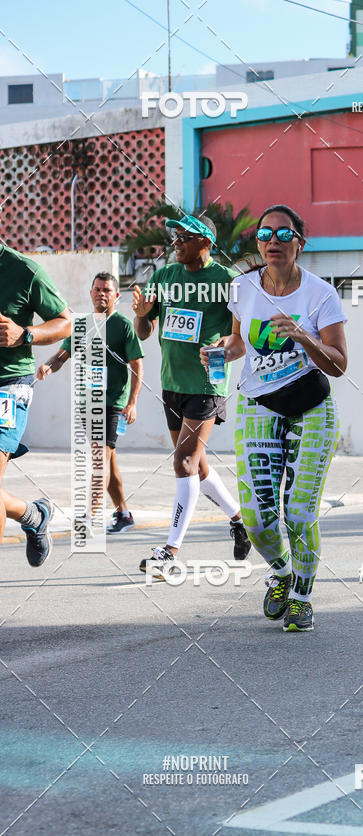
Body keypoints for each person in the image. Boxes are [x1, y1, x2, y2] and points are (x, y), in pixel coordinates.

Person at [202, 204, 347, 632]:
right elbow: (237, 344)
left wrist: (304, 336)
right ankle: (281, 572)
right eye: (265, 235)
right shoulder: (242, 287)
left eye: (284, 235)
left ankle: (302, 595)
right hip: (258, 403)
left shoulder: (321, 294)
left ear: (300, 243)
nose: (273, 242)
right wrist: (219, 352)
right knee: (258, 518)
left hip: (310, 405)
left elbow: (339, 364)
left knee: (299, 511)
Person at [133, 213, 251, 576]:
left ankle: (169, 551)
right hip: (172, 383)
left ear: (206, 243)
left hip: (206, 385)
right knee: (196, 466)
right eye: (175, 236)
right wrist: (140, 314)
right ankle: (238, 520)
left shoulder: (228, 282)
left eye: (185, 236)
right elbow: (143, 332)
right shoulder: (165, 276)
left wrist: (224, 345)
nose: (176, 242)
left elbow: (241, 340)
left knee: (183, 462)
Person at [37, 273, 143, 533]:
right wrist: (48, 366)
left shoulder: (123, 325)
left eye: (106, 290)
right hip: (88, 403)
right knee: (108, 461)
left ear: (116, 296)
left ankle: (90, 515)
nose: (100, 294)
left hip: (111, 404)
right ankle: (124, 514)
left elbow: (137, 365)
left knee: (99, 459)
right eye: (96, 289)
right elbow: (62, 356)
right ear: (91, 293)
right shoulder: (81, 325)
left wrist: (132, 403)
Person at [0, 243, 71, 565]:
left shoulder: (25, 271)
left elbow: (65, 322)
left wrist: (25, 334)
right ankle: (34, 514)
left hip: (9, 386)